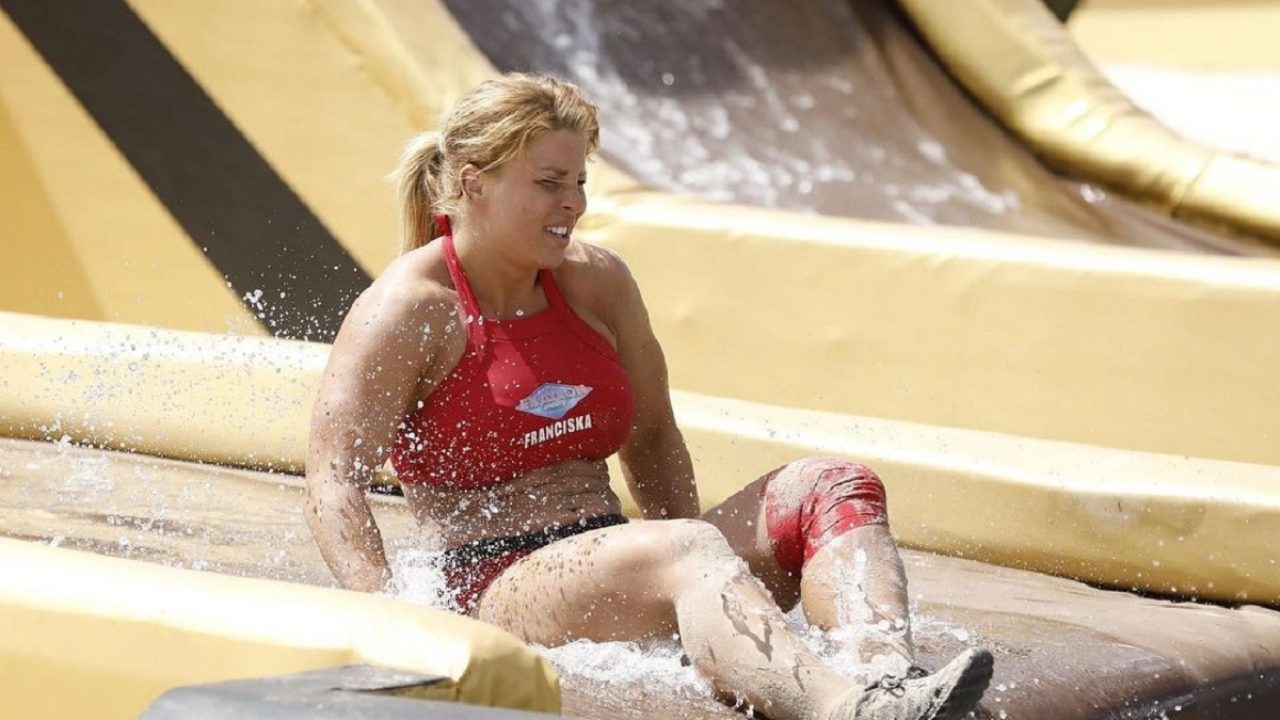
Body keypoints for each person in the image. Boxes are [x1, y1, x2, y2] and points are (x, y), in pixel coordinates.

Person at [305, 72, 992, 720]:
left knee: (831, 485)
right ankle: (843, 711)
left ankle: (888, 680)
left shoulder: (598, 282)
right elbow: (332, 480)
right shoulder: (409, 308)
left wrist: (707, 595)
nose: (573, 203)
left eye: (579, 181)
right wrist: (393, 622)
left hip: (621, 560)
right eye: (549, 183)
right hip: (494, 588)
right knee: (686, 549)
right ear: (473, 183)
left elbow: (655, 437)